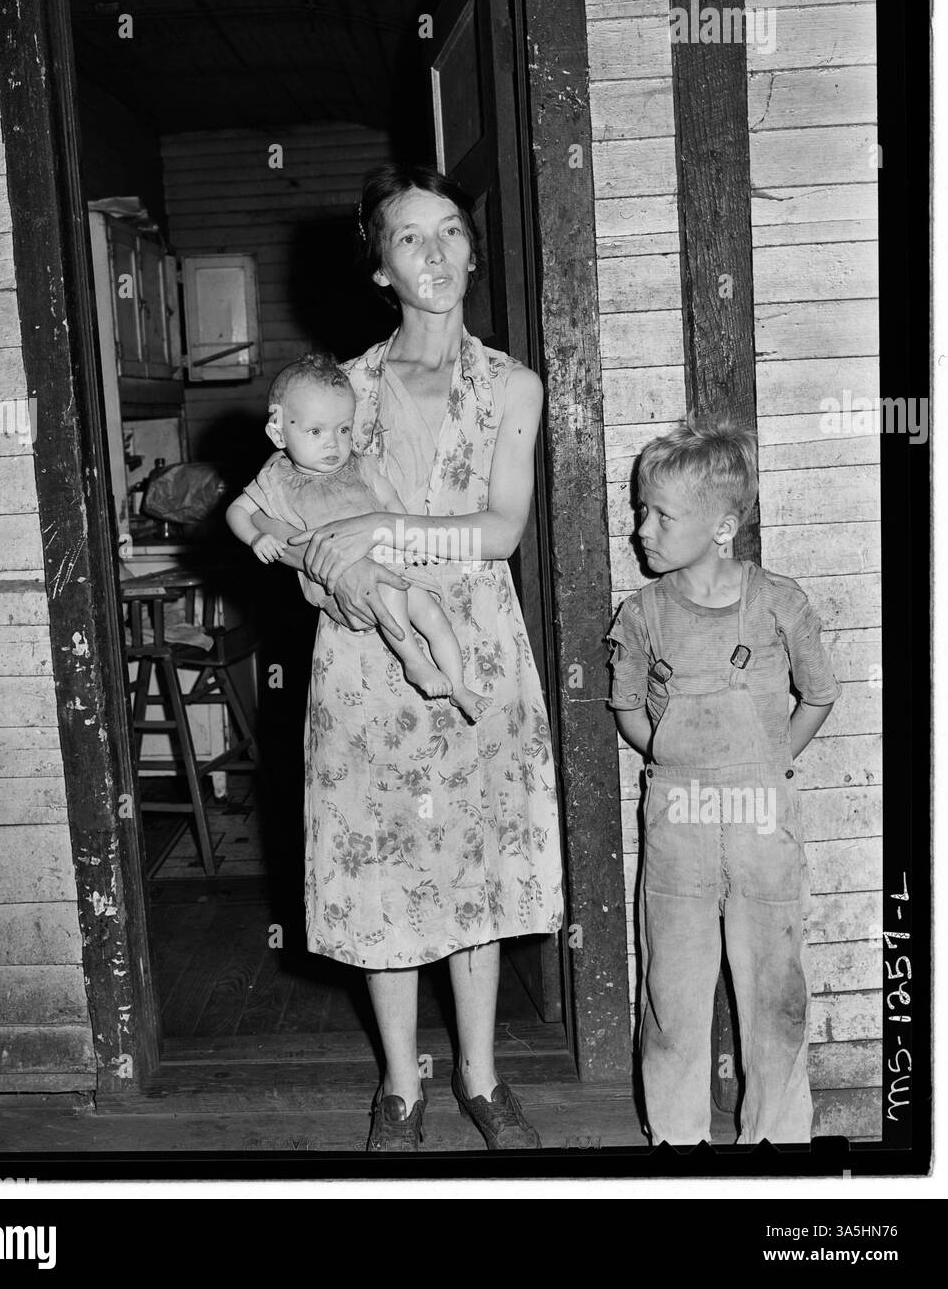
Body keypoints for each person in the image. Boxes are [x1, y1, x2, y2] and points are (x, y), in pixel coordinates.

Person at [226, 163, 564, 1151]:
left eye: (449, 230)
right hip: (367, 656)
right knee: (382, 870)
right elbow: (286, 520)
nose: (434, 252)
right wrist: (309, 552)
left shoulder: (511, 385)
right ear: (378, 265)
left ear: (469, 246)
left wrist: (379, 525)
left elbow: (498, 532)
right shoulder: (341, 389)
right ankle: (401, 1087)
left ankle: (481, 1078)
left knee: (474, 869)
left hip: (474, 650)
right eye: (408, 237)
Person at [606, 417, 841, 1146]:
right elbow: (625, 709)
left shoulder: (780, 602)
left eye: (659, 515)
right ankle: (676, 1143)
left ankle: (775, 1142)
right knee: (671, 999)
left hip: (761, 824)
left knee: (775, 995)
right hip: (677, 824)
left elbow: (819, 695)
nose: (641, 528)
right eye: (639, 509)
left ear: (722, 526)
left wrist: (768, 762)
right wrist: (677, 765)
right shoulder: (641, 614)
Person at [229, 351, 491, 722]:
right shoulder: (276, 479)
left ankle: (461, 687)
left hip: (394, 563)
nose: (333, 444)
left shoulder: (362, 465)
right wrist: (255, 538)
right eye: (315, 431)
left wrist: (409, 540)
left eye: (344, 429)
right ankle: (414, 662)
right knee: (389, 596)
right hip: (347, 580)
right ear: (278, 431)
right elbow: (237, 511)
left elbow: (391, 502)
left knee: (434, 617)